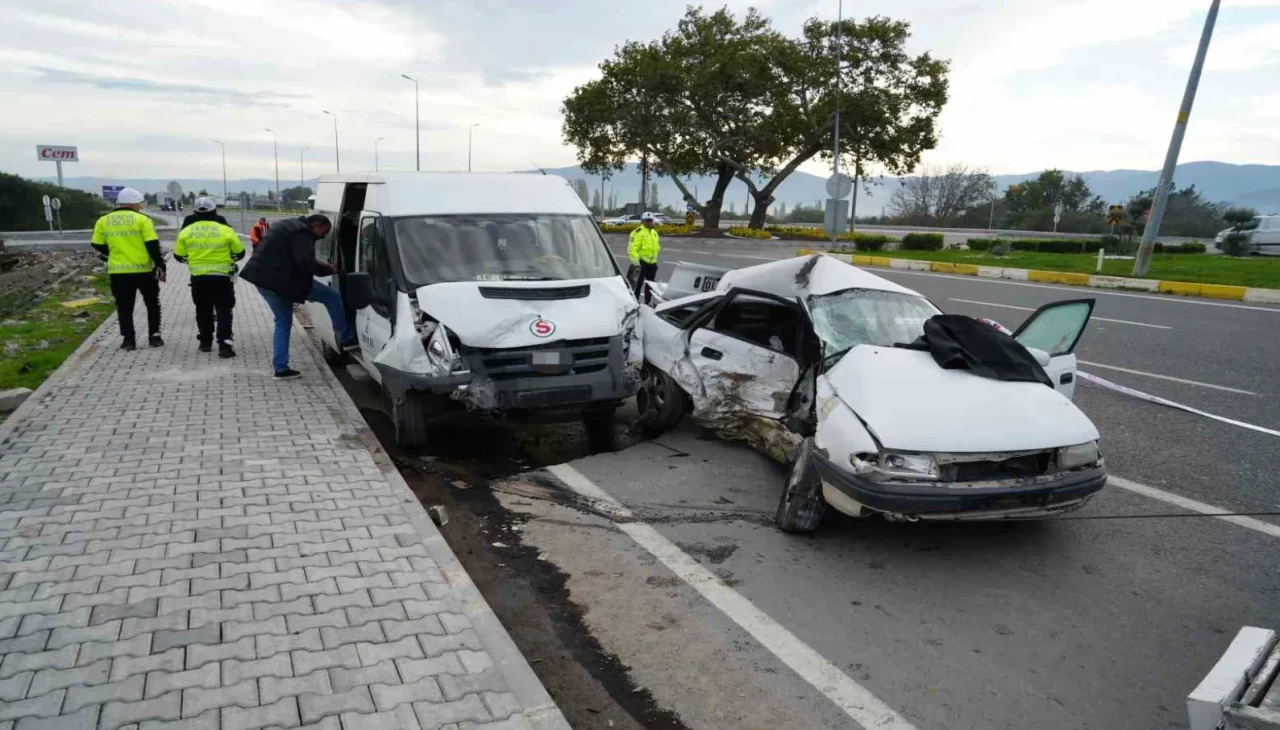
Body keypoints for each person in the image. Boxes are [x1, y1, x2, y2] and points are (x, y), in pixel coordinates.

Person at [240, 214, 356, 379]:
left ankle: (280, 369)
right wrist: (329, 269)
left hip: (263, 280)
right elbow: (305, 261)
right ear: (317, 225)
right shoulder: (301, 233)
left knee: (283, 323)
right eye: (325, 231)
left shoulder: (288, 225)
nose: (323, 235)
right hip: (282, 281)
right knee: (332, 296)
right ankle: (346, 338)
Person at [90, 187, 166, 350]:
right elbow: (152, 244)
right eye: (139, 203)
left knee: (124, 307)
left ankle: (128, 340)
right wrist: (160, 264)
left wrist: (112, 253)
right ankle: (154, 336)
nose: (140, 206)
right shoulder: (142, 220)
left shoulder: (103, 220)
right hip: (144, 270)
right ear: (133, 204)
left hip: (119, 271)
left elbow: (96, 244)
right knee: (152, 304)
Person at [174, 215, 245, 358]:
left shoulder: (187, 231)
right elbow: (240, 253)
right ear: (214, 211)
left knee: (202, 310)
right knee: (224, 311)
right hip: (222, 278)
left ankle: (205, 342)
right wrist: (230, 259)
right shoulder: (226, 230)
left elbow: (179, 255)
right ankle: (225, 346)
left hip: (198, 278)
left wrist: (193, 261)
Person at [628, 211, 662, 304]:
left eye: (650, 220)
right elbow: (632, 249)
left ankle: (647, 302)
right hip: (641, 262)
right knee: (638, 284)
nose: (649, 222)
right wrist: (637, 263)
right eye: (647, 220)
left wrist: (654, 260)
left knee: (650, 285)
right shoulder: (637, 232)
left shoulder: (654, 233)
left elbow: (657, 247)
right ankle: (635, 302)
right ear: (642, 221)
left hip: (652, 263)